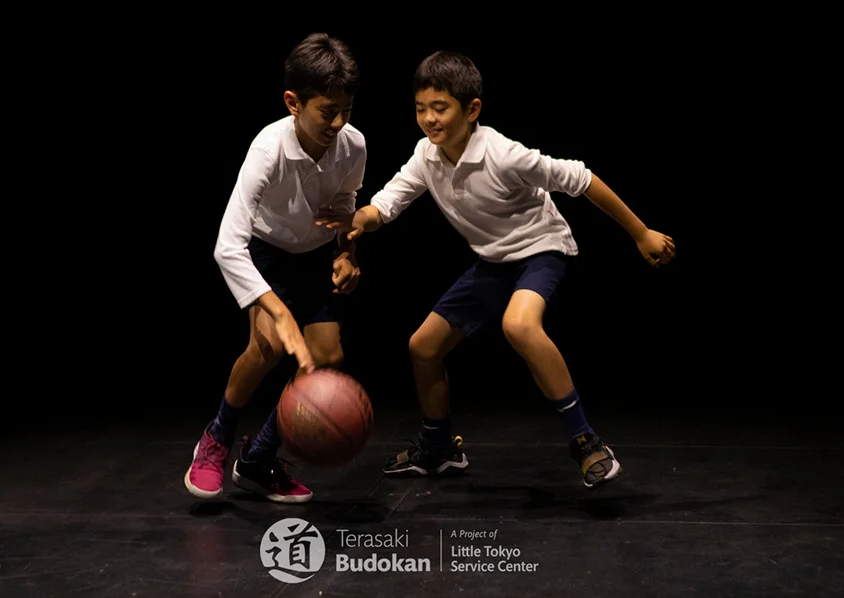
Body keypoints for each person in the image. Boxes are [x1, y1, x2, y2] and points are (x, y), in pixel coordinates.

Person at [317, 51, 675, 489]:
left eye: (440, 108)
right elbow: (387, 204)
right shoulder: (425, 156)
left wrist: (641, 233)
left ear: (472, 110)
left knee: (520, 326)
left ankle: (585, 440)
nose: (429, 119)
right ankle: (438, 448)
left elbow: (581, 179)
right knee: (423, 347)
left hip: (543, 250)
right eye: (420, 108)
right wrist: (355, 222)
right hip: (494, 262)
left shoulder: (504, 155)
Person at [185, 33, 365, 503]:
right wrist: (278, 312)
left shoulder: (353, 145)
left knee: (326, 358)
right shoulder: (269, 148)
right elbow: (228, 246)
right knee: (266, 345)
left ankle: (259, 457)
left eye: (347, 108)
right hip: (264, 255)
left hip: (313, 257)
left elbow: (344, 205)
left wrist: (346, 253)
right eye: (328, 110)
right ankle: (217, 438)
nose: (339, 121)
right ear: (293, 102)